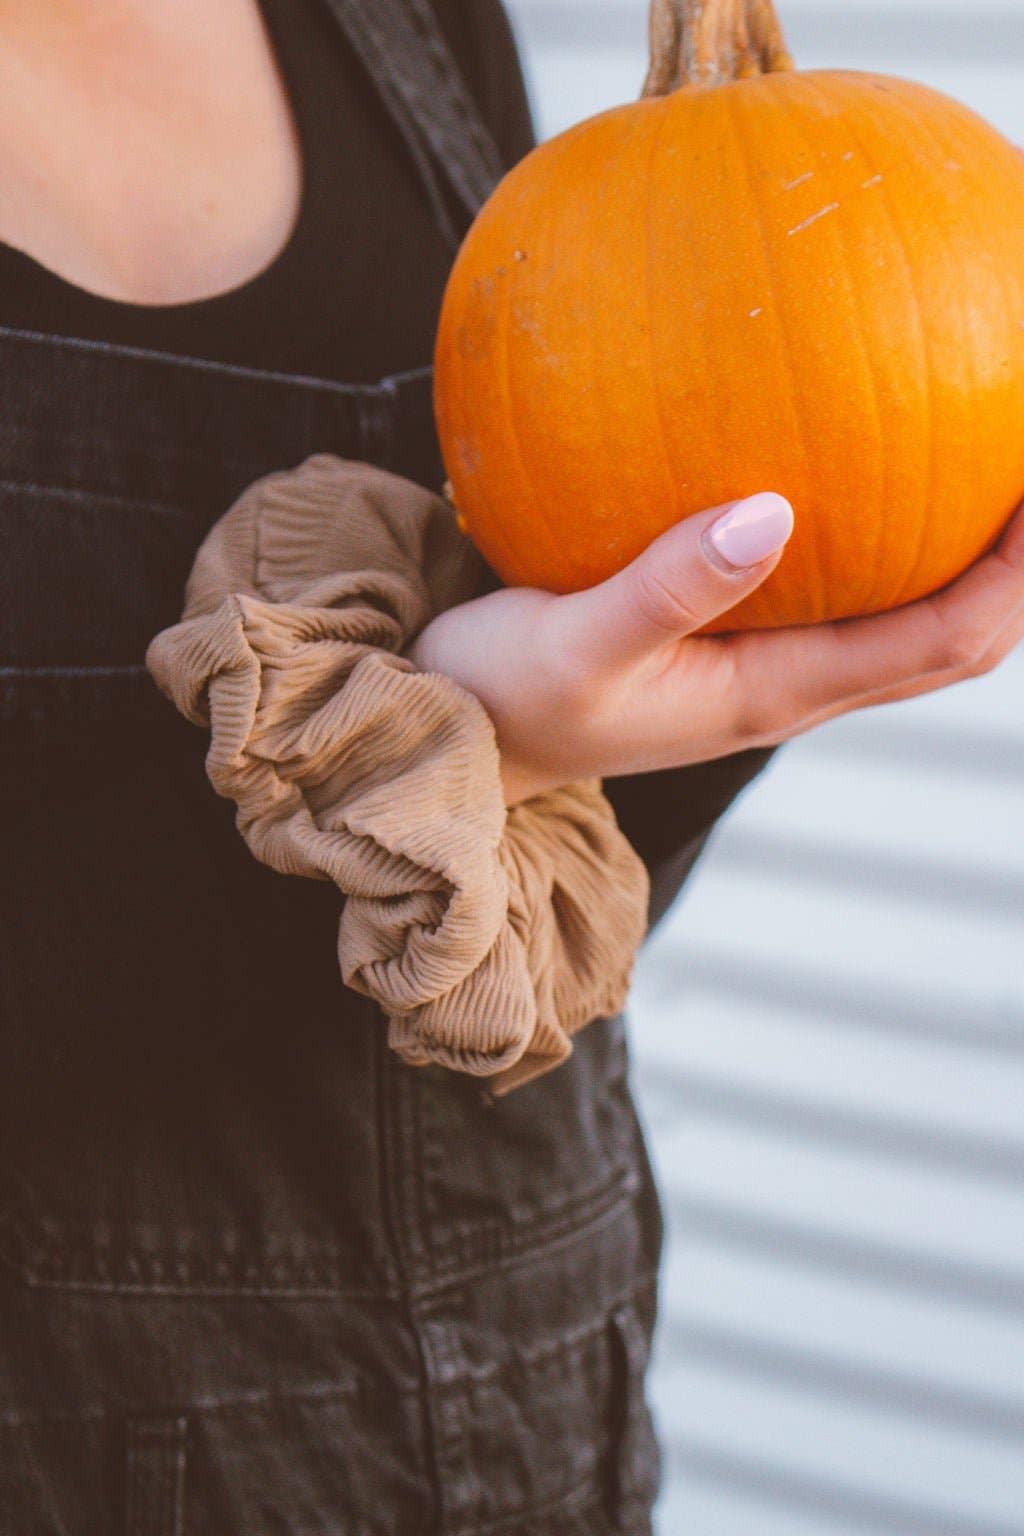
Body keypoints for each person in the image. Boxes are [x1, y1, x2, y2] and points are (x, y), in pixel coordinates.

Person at [2, 2, 1023, 1531]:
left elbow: (543, 924)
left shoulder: (415, 24)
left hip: (539, 1430)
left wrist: (707, 704)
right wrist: (454, 763)